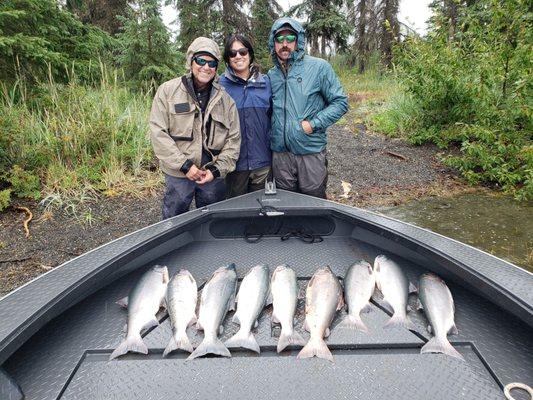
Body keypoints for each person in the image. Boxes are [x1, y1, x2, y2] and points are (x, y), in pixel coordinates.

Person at [149, 37, 241, 219]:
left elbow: (234, 141)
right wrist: (184, 166)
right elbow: (158, 133)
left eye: (212, 63)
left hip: (211, 175)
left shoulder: (227, 101)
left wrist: (215, 171)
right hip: (178, 172)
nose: (206, 67)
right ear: (191, 61)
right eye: (201, 60)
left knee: (212, 221)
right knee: (173, 220)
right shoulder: (167, 91)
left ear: (216, 68)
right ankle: (172, 247)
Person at [267, 18, 348, 199]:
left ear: (299, 41)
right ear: (273, 43)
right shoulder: (271, 75)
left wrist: (312, 124)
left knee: (314, 204)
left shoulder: (319, 67)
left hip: (310, 152)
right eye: (279, 39)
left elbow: (340, 102)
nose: (285, 44)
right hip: (280, 156)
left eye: (290, 38)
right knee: (285, 205)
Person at [219, 34, 272, 198]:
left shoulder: (267, 82)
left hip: (263, 162)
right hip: (235, 164)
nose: (238, 56)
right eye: (232, 53)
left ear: (250, 54)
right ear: (227, 58)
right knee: (235, 210)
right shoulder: (219, 86)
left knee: (261, 209)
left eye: (242, 51)